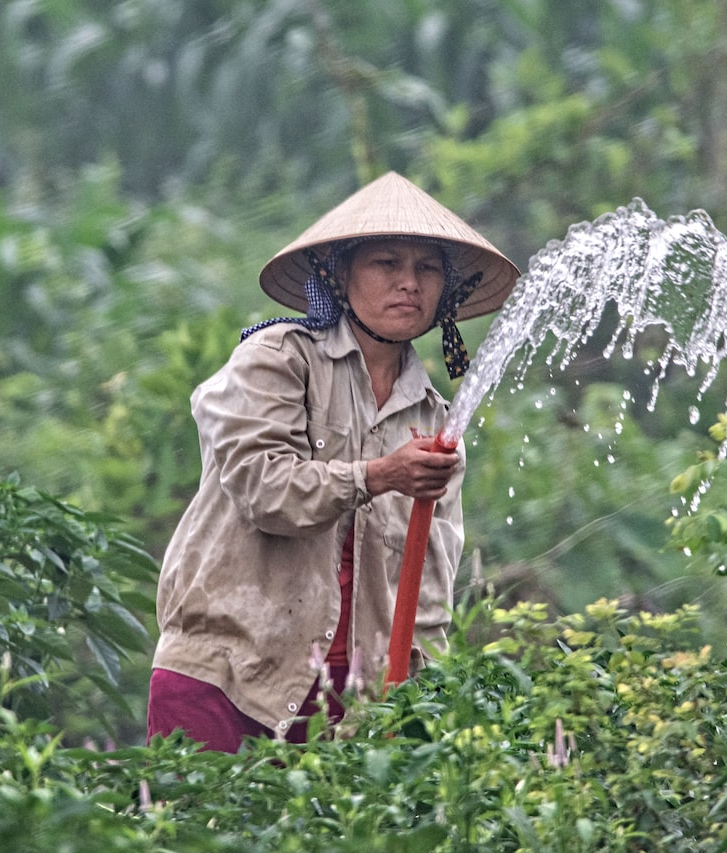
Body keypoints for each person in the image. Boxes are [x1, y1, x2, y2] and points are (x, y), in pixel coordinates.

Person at [146, 172, 519, 752]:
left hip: (348, 710)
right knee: (196, 839)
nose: (408, 284)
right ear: (339, 275)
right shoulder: (275, 360)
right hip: (225, 679)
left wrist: (418, 704)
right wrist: (380, 475)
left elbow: (429, 589)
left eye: (427, 269)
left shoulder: (435, 421)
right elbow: (265, 491)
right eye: (386, 264)